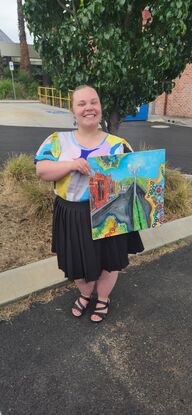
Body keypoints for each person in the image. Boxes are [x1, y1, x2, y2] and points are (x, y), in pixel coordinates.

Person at [35, 85, 144, 323]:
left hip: (110, 211)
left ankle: (102, 298)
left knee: (109, 260)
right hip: (72, 213)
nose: (88, 108)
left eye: (93, 102)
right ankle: (85, 294)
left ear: (101, 108)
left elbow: (137, 178)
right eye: (81, 104)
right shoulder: (57, 141)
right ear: (73, 111)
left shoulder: (117, 144)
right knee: (77, 259)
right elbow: (42, 170)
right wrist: (72, 165)